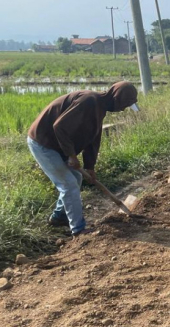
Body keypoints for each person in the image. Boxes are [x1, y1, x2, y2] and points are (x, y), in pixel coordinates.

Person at [27, 82, 139, 236]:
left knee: (76, 177)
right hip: (44, 142)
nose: (123, 109)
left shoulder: (100, 107)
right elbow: (59, 126)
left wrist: (90, 166)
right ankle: (78, 230)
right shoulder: (89, 101)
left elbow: (93, 138)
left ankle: (59, 217)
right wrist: (72, 156)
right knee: (68, 184)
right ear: (117, 98)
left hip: (56, 144)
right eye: (124, 105)